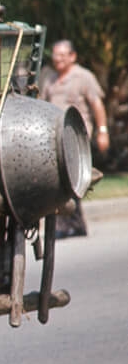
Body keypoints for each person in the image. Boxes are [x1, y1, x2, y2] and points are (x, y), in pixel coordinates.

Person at [38, 40, 108, 238]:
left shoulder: (83, 77)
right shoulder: (47, 76)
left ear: (72, 56)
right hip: (52, 136)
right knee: (64, 180)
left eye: (62, 55)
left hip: (77, 136)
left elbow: (97, 105)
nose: (57, 59)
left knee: (67, 178)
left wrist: (103, 131)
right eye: (55, 55)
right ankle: (76, 224)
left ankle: (64, 224)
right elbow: (40, 103)